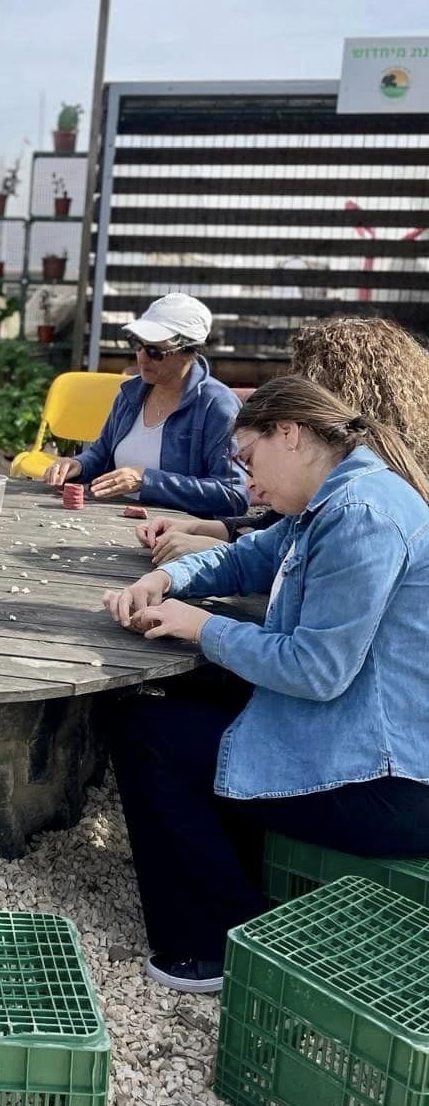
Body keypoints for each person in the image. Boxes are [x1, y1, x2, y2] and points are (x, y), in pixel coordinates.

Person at [102, 374, 429, 994]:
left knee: (145, 729)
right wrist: (170, 581)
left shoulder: (361, 515)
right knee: (182, 705)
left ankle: (212, 944)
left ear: (290, 434)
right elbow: (245, 556)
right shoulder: (335, 496)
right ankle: (237, 894)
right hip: (359, 738)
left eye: (249, 459)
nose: (247, 481)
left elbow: (316, 670)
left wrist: (200, 628)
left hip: (388, 781)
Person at [138, 315, 429, 565]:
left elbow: (312, 568)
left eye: (305, 379)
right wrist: (201, 528)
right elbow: (278, 530)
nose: (297, 388)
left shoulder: (363, 502)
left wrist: (221, 551)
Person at [42, 293, 247, 516]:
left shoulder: (216, 405)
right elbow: (102, 454)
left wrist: (146, 480)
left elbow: (232, 495)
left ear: (188, 352)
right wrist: (79, 465)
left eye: (154, 352)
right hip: (113, 519)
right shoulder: (131, 393)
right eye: (138, 345)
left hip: (179, 533)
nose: (141, 357)